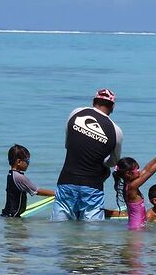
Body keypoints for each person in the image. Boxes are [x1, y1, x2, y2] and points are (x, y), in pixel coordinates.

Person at [52, 88, 123, 221]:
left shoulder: (76, 113)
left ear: (93, 102)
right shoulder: (116, 131)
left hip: (67, 180)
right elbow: (113, 162)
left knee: (59, 226)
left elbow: (68, 144)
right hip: (93, 186)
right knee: (93, 233)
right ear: (112, 106)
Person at [112, 148, 156, 230]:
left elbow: (146, 170)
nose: (139, 171)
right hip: (137, 230)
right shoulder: (132, 187)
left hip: (136, 227)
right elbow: (150, 172)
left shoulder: (128, 184)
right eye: (137, 169)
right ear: (129, 173)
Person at [1, 144, 55, 217]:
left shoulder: (11, 174)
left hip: (8, 214)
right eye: (27, 161)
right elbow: (37, 191)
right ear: (19, 162)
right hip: (14, 217)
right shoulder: (19, 177)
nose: (28, 164)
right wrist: (57, 193)